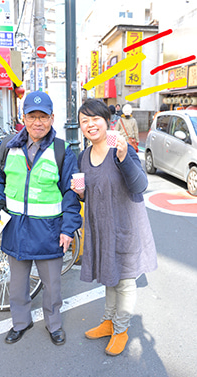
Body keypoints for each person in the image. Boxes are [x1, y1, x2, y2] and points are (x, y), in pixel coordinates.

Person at [0, 91, 82, 346]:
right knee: (17, 285)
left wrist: (68, 229)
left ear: (52, 118)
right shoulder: (8, 146)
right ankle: (21, 322)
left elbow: (72, 195)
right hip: (15, 229)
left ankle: (54, 325)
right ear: (23, 117)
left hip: (49, 232)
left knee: (52, 286)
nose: (37, 122)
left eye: (43, 117)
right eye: (32, 116)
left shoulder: (63, 151)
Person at [71, 98, 157, 356]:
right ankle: (108, 322)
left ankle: (121, 329)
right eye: (84, 121)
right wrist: (81, 191)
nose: (90, 124)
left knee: (126, 282)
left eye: (95, 118)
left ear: (106, 121)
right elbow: (89, 193)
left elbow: (140, 185)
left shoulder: (120, 147)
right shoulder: (83, 156)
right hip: (100, 228)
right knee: (109, 278)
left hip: (125, 226)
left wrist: (122, 157)